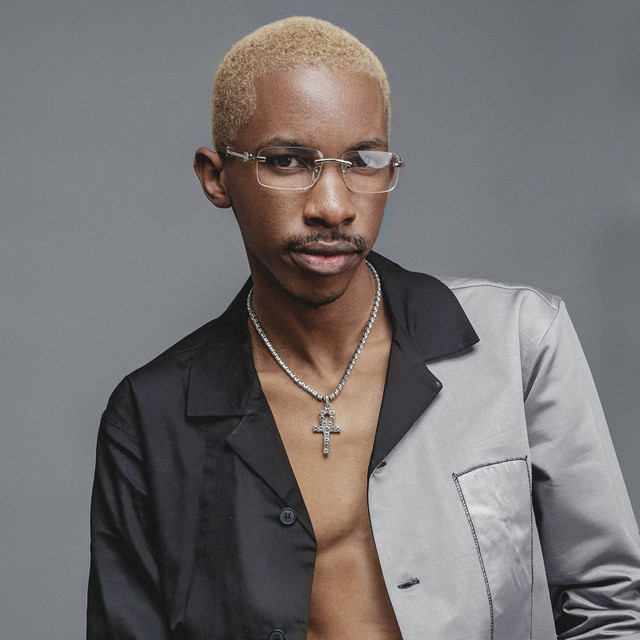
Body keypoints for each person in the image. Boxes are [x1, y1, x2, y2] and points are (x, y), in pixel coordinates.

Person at [87, 16, 640, 640]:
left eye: (363, 161)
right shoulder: (151, 416)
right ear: (216, 177)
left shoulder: (518, 343)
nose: (333, 206)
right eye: (287, 161)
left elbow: (611, 607)